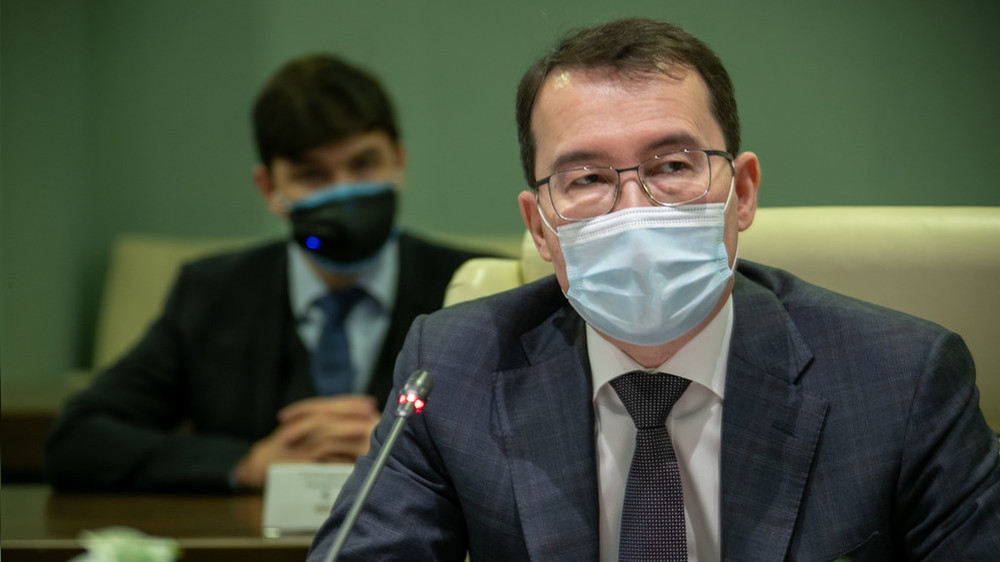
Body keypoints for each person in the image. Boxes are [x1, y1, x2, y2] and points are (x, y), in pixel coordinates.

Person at [307, 18, 1000, 561]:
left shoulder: (902, 380)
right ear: (540, 227)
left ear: (742, 192)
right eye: (587, 179)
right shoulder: (452, 368)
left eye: (672, 165)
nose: (634, 211)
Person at [45, 54, 490, 492]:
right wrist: (248, 463)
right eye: (312, 175)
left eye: (363, 164)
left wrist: (406, 450)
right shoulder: (211, 293)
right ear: (269, 189)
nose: (344, 194)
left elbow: (521, 450)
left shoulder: (479, 289)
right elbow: (77, 439)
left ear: (399, 162)